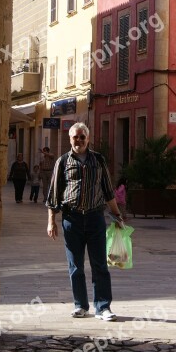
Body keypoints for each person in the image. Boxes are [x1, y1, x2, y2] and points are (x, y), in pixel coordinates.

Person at [46, 122, 124, 322]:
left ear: (88, 138)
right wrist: (51, 221)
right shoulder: (62, 162)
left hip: (95, 218)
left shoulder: (98, 160)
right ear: (70, 139)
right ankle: (80, 305)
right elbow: (54, 195)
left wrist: (117, 216)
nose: (79, 140)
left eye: (82, 137)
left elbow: (107, 189)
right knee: (75, 265)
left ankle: (103, 307)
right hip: (71, 219)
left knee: (100, 265)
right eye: (75, 137)